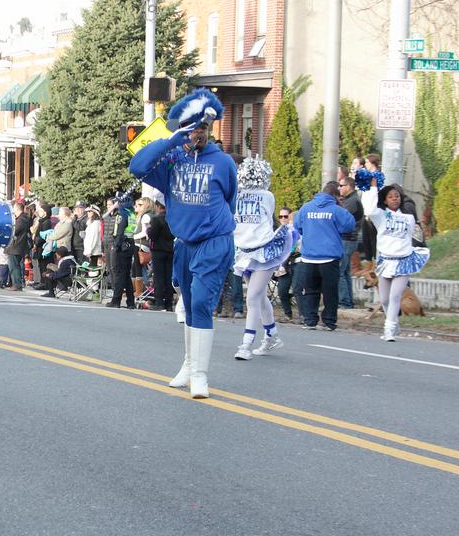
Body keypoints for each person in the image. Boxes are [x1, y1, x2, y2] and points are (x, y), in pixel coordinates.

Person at [129, 88, 237, 399]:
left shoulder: (223, 162)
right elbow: (137, 167)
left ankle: (201, 376)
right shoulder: (172, 159)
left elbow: (229, 200)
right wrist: (170, 141)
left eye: (201, 128)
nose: (196, 134)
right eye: (190, 128)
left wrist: (215, 229)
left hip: (213, 242)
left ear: (209, 129)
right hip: (185, 244)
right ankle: (189, 365)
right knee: (189, 306)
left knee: (202, 302)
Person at [230, 157, 297, 360]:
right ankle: (272, 336)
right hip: (244, 251)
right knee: (259, 297)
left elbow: (266, 220)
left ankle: (245, 345)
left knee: (252, 297)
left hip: (264, 250)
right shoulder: (235, 195)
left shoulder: (266, 195)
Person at [363, 184, 430, 341]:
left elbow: (410, 237)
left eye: (397, 196)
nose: (395, 199)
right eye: (391, 197)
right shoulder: (380, 215)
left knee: (395, 296)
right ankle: (394, 323)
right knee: (385, 299)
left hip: (403, 261)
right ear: (385, 200)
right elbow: (370, 209)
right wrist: (372, 187)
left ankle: (389, 330)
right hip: (386, 261)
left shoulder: (409, 217)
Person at [293, 182, 356, 331]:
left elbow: (297, 225)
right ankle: (328, 322)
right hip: (329, 257)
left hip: (308, 257)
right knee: (330, 291)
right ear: (335, 195)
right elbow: (349, 224)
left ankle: (310, 320)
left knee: (310, 290)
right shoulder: (336, 209)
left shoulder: (306, 208)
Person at [106, 196, 137, 309]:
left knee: (119, 273)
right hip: (130, 244)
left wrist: (115, 246)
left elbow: (120, 231)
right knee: (125, 274)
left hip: (122, 245)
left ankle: (116, 300)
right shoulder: (131, 213)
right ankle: (130, 301)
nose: (116, 204)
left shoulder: (121, 214)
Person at [336, 176, 363, 308]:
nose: (339, 188)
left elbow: (341, 219)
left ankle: (343, 302)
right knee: (345, 271)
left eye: (341, 186)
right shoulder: (350, 200)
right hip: (349, 239)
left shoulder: (351, 202)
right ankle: (348, 301)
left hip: (347, 238)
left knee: (339, 271)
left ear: (349, 187)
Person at [146, 201, 174, 311]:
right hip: (170, 249)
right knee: (168, 276)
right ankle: (169, 303)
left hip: (158, 250)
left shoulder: (156, 219)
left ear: (158, 206)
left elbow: (153, 235)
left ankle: (159, 302)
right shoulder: (172, 218)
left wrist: (149, 230)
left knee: (158, 277)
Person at [5, 201, 32, 291]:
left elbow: (15, 231)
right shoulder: (23, 218)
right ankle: (16, 283)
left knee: (14, 266)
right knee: (15, 265)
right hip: (19, 246)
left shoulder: (21, 220)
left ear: (17, 209)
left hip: (16, 246)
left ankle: (17, 284)